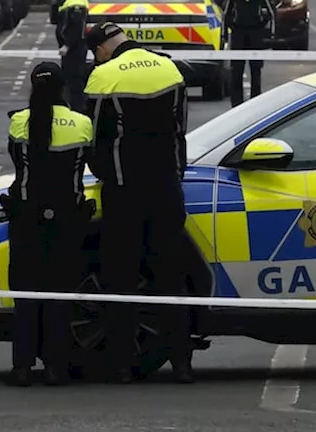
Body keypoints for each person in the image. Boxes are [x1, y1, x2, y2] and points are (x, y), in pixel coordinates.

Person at [83, 22, 194, 385]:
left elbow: (95, 136)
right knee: (171, 276)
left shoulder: (103, 77)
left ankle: (121, 365)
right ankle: (181, 364)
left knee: (120, 278)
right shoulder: (168, 67)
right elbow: (180, 129)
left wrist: (104, 172)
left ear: (102, 49)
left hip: (123, 191)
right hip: (165, 188)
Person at [2, 62, 94, 387]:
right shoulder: (82, 124)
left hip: (26, 219)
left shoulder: (19, 122)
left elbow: (17, 163)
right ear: (62, 87)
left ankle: (22, 368)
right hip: (68, 219)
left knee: (25, 297)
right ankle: (56, 368)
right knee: (60, 296)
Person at [222, 0, 276, 107]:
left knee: (256, 70)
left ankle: (255, 103)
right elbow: (226, 15)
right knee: (236, 71)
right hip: (239, 33)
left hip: (256, 34)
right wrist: (224, 36)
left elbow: (272, 14)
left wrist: (270, 36)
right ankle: (236, 104)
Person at [48, 0, 88, 109]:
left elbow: (77, 27)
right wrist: (54, 1)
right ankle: (72, 109)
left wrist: (68, 45)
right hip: (68, 49)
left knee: (75, 83)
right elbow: (54, 20)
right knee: (68, 82)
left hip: (75, 49)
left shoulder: (76, 0)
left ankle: (79, 112)